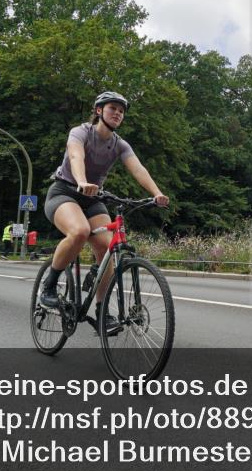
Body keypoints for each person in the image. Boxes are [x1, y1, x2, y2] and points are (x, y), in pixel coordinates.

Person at [39, 91, 169, 333]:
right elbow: (76, 155)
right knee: (80, 231)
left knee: (108, 248)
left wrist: (156, 194)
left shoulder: (119, 144)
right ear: (99, 111)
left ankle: (101, 312)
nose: (118, 113)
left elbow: (138, 169)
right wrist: (80, 180)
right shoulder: (81, 132)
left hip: (93, 198)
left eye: (121, 111)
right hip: (64, 192)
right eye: (113, 108)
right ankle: (49, 285)